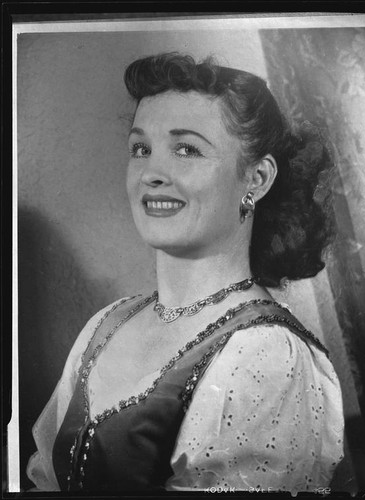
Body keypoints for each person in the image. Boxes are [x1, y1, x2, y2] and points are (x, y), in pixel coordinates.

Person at [26, 52, 344, 493]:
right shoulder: (106, 323)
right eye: (141, 148)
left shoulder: (268, 355)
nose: (152, 173)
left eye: (187, 149)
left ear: (257, 179)